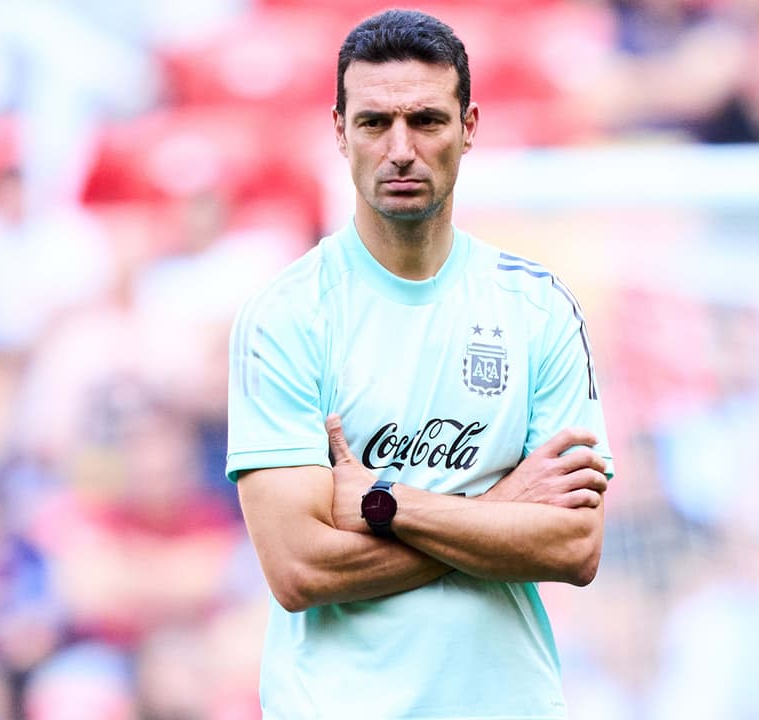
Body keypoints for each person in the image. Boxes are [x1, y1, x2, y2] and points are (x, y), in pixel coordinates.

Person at [226, 9, 613, 718]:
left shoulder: (539, 308)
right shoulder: (284, 316)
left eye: (426, 120)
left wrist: (384, 504)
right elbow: (299, 568)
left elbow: (573, 546)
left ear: (468, 127)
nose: (400, 149)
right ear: (339, 131)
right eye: (375, 123)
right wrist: (501, 512)